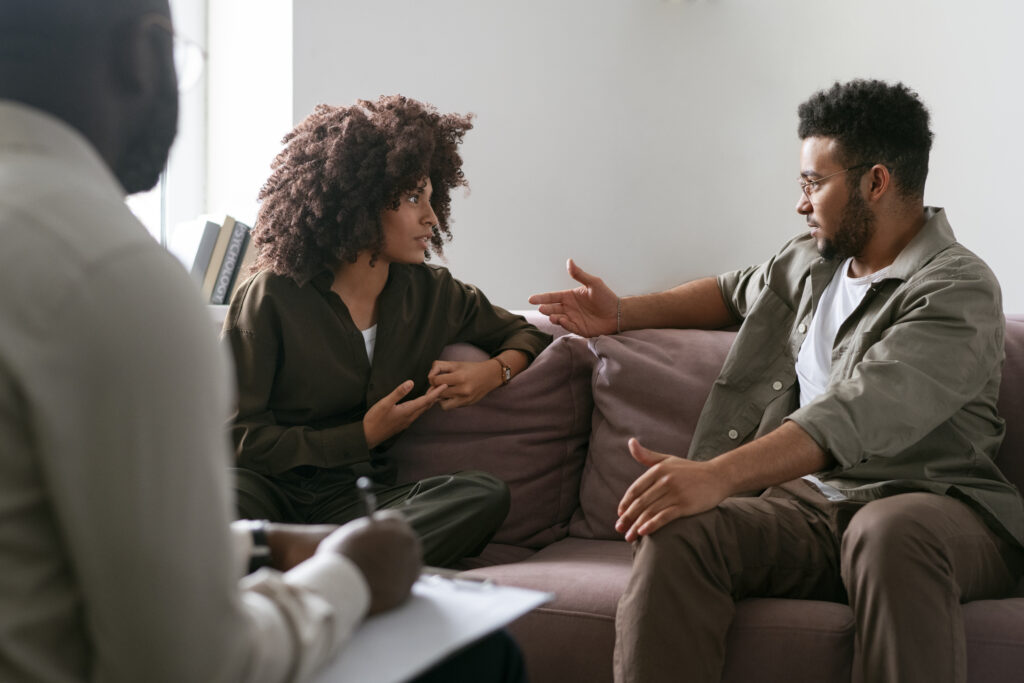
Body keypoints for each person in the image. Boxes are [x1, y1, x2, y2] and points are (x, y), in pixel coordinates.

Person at [0, 1, 440, 681]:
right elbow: (189, 664)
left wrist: (251, 546)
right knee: (486, 655)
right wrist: (349, 575)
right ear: (141, 57)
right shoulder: (115, 279)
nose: (428, 217)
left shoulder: (423, 292)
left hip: (309, 512)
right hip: (277, 495)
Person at [530, 79, 1024, 683]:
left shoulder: (958, 288)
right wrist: (624, 313)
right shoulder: (812, 261)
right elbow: (730, 291)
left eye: (813, 184)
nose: (801, 202)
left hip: (932, 506)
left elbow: (861, 409)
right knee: (680, 531)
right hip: (811, 506)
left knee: (887, 532)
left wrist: (717, 475)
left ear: (876, 181)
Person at [222, 95, 552, 568]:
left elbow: (526, 334)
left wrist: (493, 374)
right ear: (360, 202)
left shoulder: (434, 293)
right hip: (265, 491)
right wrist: (360, 435)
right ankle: (351, 563)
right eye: (414, 197)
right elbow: (238, 437)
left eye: (433, 199)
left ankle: (317, 560)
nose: (432, 218)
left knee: (482, 494)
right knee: (214, 507)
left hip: (352, 503)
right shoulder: (272, 294)